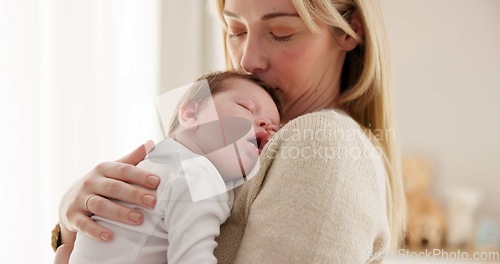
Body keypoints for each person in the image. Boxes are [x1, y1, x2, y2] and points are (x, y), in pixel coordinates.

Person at [53, 0, 407, 263]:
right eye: (235, 30)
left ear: (350, 32)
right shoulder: (223, 156)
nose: (246, 59)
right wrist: (74, 222)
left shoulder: (323, 143)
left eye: (281, 33)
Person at [67, 71, 281, 263]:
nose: (266, 125)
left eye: (275, 129)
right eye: (247, 107)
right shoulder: (197, 176)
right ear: (190, 115)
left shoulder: (162, 163)